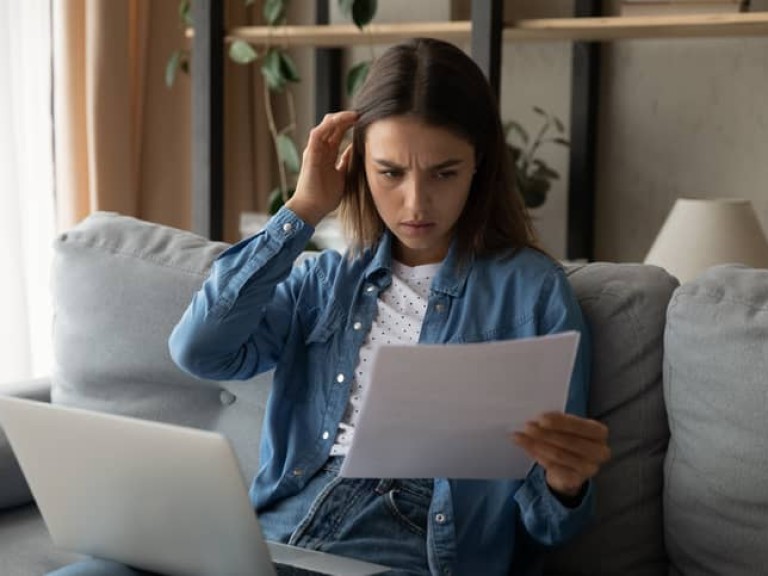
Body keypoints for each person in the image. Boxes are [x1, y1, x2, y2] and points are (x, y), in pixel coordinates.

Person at [49, 37, 610, 576]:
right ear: (358, 164)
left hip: (409, 542)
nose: (416, 202)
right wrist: (303, 209)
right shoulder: (321, 281)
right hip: (277, 530)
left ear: (479, 167)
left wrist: (565, 482)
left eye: (444, 173)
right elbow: (199, 350)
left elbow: (548, 525)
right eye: (390, 172)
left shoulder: (532, 291)